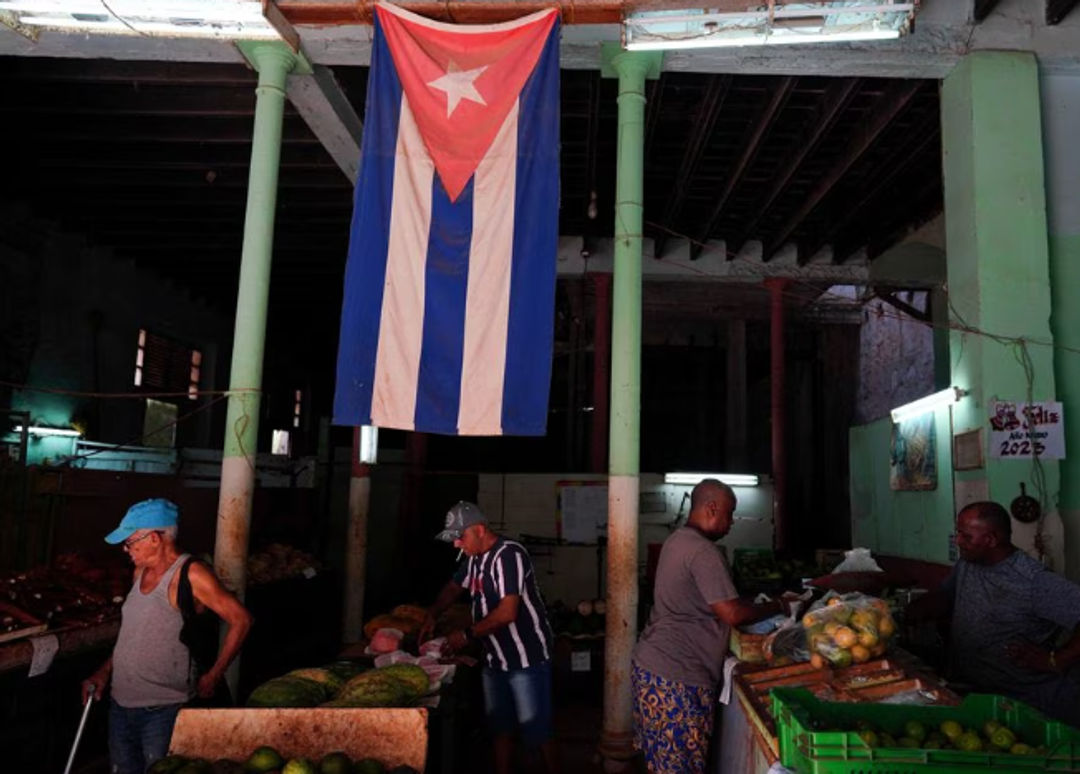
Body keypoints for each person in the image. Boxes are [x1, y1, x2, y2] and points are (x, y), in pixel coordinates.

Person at [81, 499, 254, 774]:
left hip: (163, 712)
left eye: (130, 542)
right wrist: (103, 672)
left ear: (153, 538)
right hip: (121, 705)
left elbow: (241, 620)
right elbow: (132, 635)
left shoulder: (192, 574)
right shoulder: (139, 573)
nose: (126, 550)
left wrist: (215, 673)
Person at [632, 479, 789, 774]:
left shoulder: (676, 540)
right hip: (678, 677)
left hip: (653, 668)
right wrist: (779, 605)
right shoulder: (704, 551)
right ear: (712, 508)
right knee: (681, 767)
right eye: (729, 514)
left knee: (662, 764)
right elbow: (732, 613)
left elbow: (708, 600)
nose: (730, 523)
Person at [907, 500, 1080, 726]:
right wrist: (914, 610)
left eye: (966, 536)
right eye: (958, 533)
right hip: (978, 691)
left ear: (991, 540)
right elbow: (947, 595)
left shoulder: (1033, 581)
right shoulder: (968, 563)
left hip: (1028, 701)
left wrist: (1055, 661)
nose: (958, 541)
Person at [420, 501, 559, 774]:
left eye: (460, 537)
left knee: (538, 731)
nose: (456, 544)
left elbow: (507, 612)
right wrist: (433, 613)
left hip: (526, 658)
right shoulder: (473, 558)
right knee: (500, 728)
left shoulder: (509, 555)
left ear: (480, 530)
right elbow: (453, 588)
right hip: (495, 659)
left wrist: (467, 634)